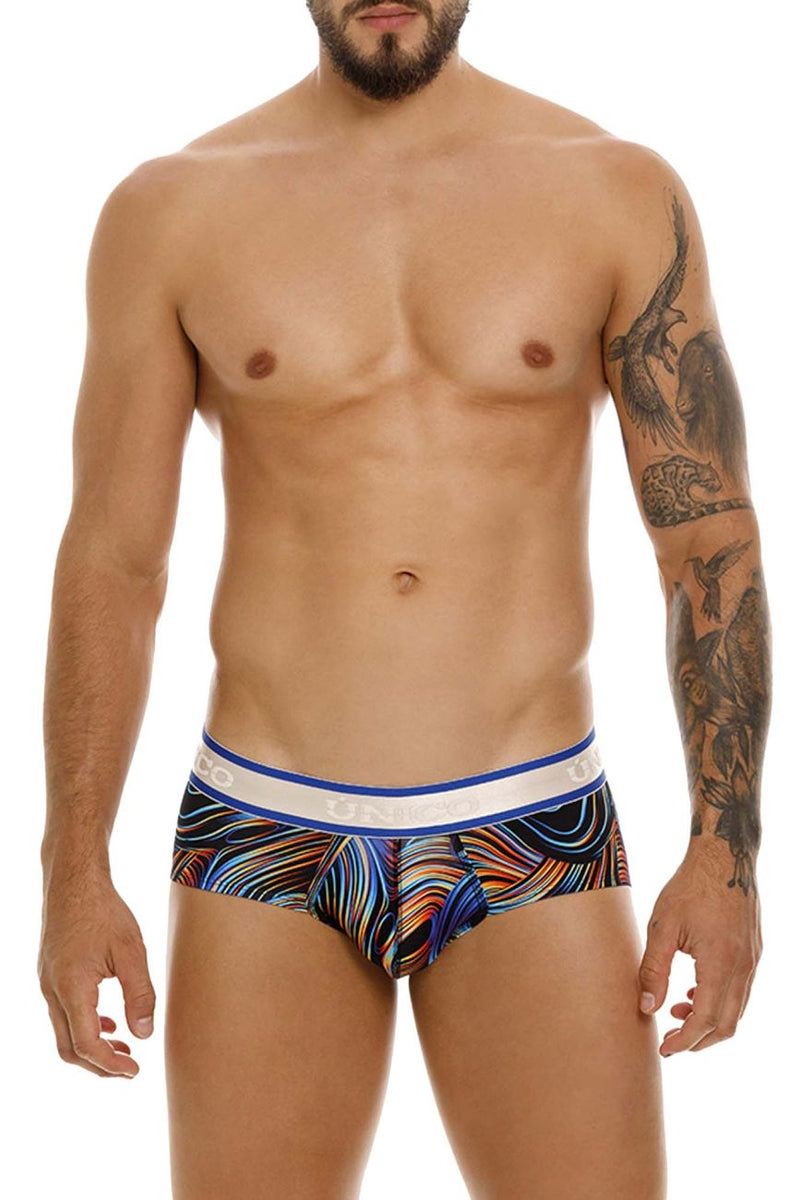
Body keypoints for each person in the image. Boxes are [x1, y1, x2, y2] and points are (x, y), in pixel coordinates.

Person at [37, 2, 771, 1197]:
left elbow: (705, 545)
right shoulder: (171, 210)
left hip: (530, 827)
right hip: (264, 834)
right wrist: (74, 874)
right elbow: (113, 562)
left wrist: (723, 857)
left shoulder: (615, 193)